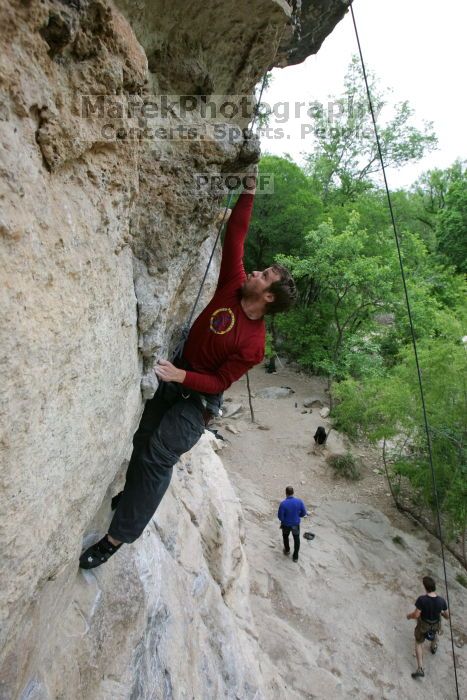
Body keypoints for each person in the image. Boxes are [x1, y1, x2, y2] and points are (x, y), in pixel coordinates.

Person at [80, 174, 297, 569]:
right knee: (143, 438)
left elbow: (219, 383)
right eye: (261, 270)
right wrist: (249, 188)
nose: (256, 272)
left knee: (157, 456)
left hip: (197, 399)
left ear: (267, 297)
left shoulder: (254, 344)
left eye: (264, 276)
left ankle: (117, 537)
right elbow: (237, 232)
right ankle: (130, 498)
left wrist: (181, 378)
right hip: (178, 374)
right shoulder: (233, 283)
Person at [406, 575, 450, 679]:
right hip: (435, 625)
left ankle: (420, 668)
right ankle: (434, 646)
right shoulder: (441, 601)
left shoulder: (422, 600)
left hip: (423, 625)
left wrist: (409, 616)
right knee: (434, 633)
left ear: (425, 587)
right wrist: (441, 613)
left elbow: (416, 615)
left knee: (418, 643)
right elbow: (447, 616)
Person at [277, 486, 308, 562]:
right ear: (293, 493)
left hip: (286, 525)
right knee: (296, 539)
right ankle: (295, 557)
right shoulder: (299, 501)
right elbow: (304, 513)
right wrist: (298, 516)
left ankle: (287, 550)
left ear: (286, 493)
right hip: (295, 524)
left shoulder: (283, 504)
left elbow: (280, 516)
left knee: (285, 537)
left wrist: (284, 521)